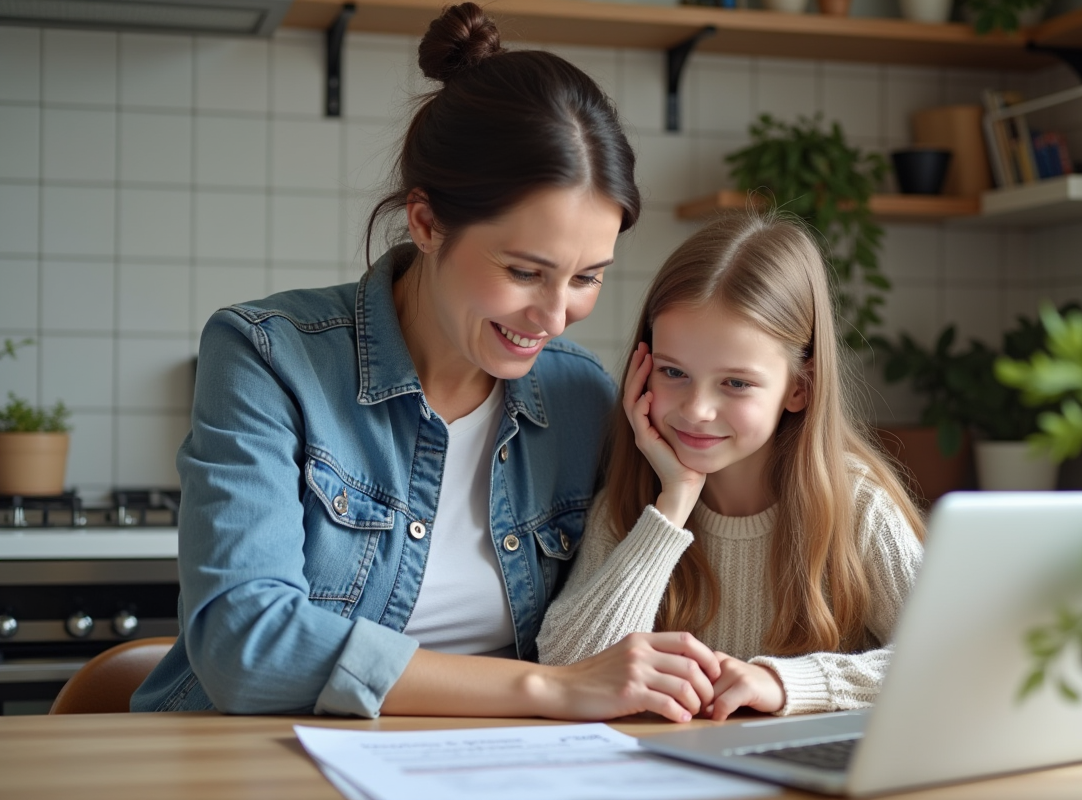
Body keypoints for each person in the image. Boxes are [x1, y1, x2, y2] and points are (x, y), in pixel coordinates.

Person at [133, 2, 721, 722]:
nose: (553, 316)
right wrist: (552, 689)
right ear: (426, 222)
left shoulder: (581, 398)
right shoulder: (267, 357)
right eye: (525, 271)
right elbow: (244, 646)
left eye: (587, 278)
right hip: (253, 759)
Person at [536, 212, 927, 720]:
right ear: (642, 370)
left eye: (736, 383)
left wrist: (784, 683)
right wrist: (673, 504)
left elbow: (955, 658)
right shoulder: (634, 504)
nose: (697, 409)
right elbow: (567, 668)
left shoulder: (857, 505)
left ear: (799, 388)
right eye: (673, 372)